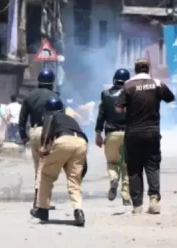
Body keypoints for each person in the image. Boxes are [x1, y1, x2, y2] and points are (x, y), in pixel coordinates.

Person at [116, 58, 175, 215]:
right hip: (152, 132)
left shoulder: (128, 86)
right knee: (152, 166)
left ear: (135, 69)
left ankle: (137, 205)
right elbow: (171, 98)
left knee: (134, 169)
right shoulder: (157, 84)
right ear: (148, 69)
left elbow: (118, 109)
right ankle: (154, 199)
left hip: (133, 133)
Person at [31, 97, 88, 227]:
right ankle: (78, 211)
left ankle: (43, 209)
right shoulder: (71, 119)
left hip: (63, 140)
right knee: (74, 181)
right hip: (81, 143)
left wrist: (43, 150)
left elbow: (45, 136)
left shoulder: (50, 116)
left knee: (46, 175)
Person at [19, 68, 59, 207]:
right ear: (51, 82)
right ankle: (42, 201)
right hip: (49, 132)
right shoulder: (55, 96)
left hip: (34, 132)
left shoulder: (30, 96)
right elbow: (60, 118)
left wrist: (23, 135)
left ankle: (40, 200)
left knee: (38, 167)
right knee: (46, 169)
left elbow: (22, 118)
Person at [95, 68, 131, 206]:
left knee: (112, 163)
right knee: (126, 166)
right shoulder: (131, 95)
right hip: (128, 135)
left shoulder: (105, 95)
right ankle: (126, 196)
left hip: (111, 135)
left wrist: (98, 133)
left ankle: (114, 179)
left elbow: (101, 116)